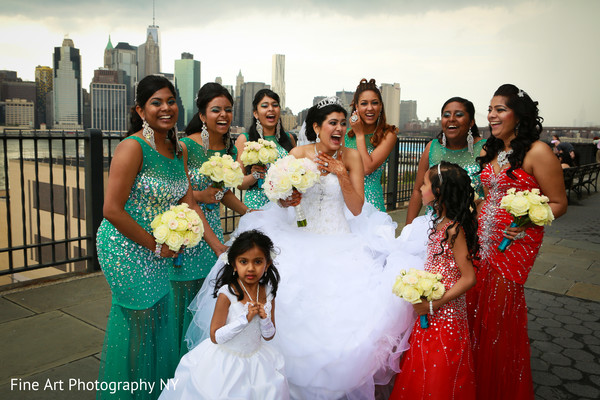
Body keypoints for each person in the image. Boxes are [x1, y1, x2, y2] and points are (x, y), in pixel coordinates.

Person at [185, 97, 419, 400]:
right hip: (298, 236)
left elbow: (358, 208)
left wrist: (341, 173)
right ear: (316, 127)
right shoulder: (298, 153)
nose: (338, 128)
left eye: (342, 123)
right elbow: (281, 197)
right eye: (332, 123)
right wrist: (286, 198)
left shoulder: (351, 157)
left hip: (339, 240)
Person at [95, 75, 226, 400]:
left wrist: (218, 247)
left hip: (159, 248)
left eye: (170, 101)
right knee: (137, 326)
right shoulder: (131, 147)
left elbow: (188, 200)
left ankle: (159, 392)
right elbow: (112, 210)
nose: (165, 108)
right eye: (156, 102)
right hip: (125, 248)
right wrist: (154, 244)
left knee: (160, 324)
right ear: (140, 109)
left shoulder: (177, 149)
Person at [467, 84, 568, 400]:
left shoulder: (538, 152)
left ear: (518, 115)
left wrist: (527, 221)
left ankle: (499, 388)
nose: (491, 115)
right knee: (474, 310)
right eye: (490, 109)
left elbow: (558, 202)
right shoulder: (489, 150)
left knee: (499, 319)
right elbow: (487, 196)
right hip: (482, 240)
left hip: (515, 243)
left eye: (500, 110)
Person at [159, 230, 288, 400]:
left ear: (268, 264)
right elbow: (215, 336)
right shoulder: (227, 293)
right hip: (227, 361)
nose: (250, 268)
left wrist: (264, 319)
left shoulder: (268, 292)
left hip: (257, 361)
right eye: (243, 262)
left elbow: (269, 335)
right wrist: (244, 320)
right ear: (234, 264)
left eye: (258, 262)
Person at [171, 83, 250, 357]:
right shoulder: (185, 146)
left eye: (228, 109)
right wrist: (200, 195)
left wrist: (247, 211)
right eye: (216, 110)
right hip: (191, 232)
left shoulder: (228, 149)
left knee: (209, 305)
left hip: (214, 230)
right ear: (203, 115)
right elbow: (182, 195)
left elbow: (222, 193)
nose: (223, 115)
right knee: (185, 305)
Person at [389, 162, 478, 400]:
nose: (419, 188)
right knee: (424, 363)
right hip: (429, 308)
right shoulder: (439, 223)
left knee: (442, 367)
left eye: (425, 184)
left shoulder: (453, 229)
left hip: (446, 313)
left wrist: (435, 304)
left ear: (438, 192)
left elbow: (469, 278)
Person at [405, 97, 485, 225]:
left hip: (473, 225)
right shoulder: (432, 147)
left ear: (471, 122)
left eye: (459, 115)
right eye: (446, 115)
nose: (451, 119)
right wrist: (407, 230)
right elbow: (417, 190)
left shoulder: (484, 149)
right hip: (433, 227)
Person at [235, 89, 296, 209]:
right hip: (257, 207)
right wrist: (255, 175)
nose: (271, 109)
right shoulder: (245, 139)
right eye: (264, 106)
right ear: (256, 113)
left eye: (275, 105)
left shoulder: (289, 138)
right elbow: (239, 183)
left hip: (285, 206)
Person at [344, 78, 398, 211]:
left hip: (372, 205)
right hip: (345, 202)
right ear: (356, 106)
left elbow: (367, 168)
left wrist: (360, 135)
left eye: (375, 103)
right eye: (364, 103)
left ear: (380, 106)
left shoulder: (388, 134)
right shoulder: (344, 135)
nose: (370, 108)